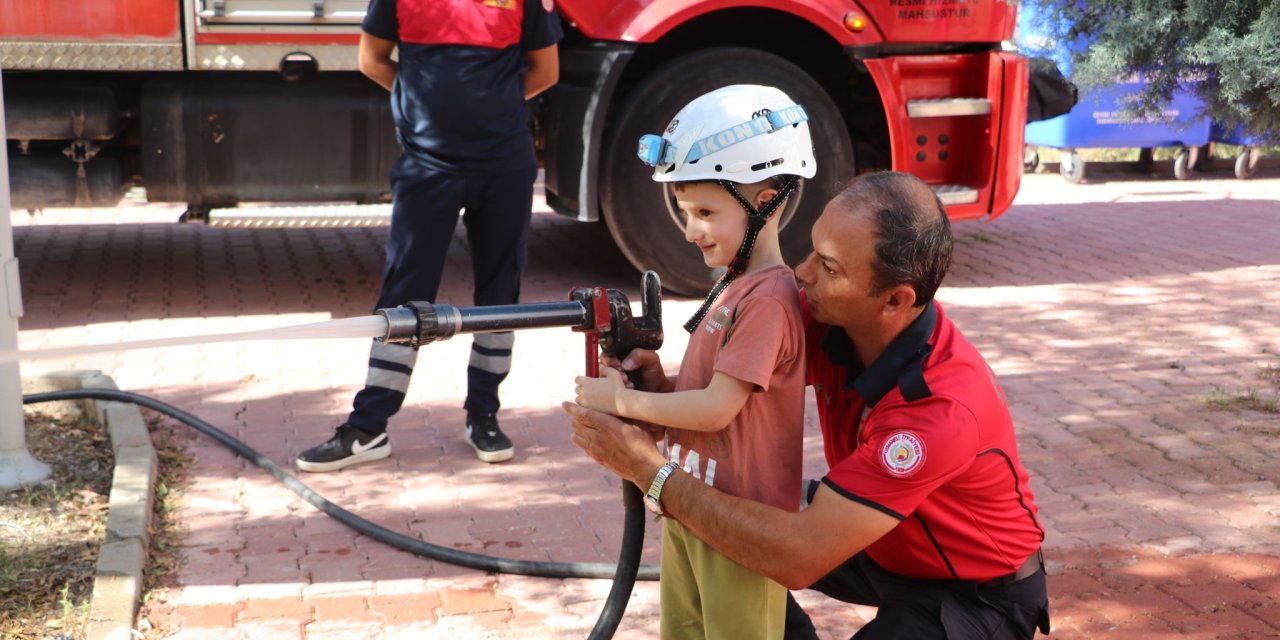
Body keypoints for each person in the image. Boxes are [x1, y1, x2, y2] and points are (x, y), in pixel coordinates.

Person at [566, 171, 1051, 639]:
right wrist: (661, 388)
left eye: (829, 266)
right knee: (735, 512)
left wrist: (650, 472)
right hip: (880, 540)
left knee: (750, 531)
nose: (802, 272)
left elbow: (799, 558)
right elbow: (732, 393)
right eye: (812, 249)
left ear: (894, 300)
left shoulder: (938, 412)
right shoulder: (831, 318)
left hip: (972, 591)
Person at [575, 84, 816, 639]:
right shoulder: (734, 287)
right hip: (692, 509)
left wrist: (620, 400)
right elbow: (708, 388)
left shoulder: (769, 300)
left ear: (765, 201)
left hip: (740, 530)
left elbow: (715, 411)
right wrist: (657, 386)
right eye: (685, 211)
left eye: (705, 211)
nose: (690, 230)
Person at [297, 0, 562, 472]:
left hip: (503, 164)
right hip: (427, 166)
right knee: (404, 296)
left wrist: (492, 107)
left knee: (501, 295)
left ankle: (484, 415)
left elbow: (545, 72)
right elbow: (371, 59)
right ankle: (369, 428)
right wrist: (419, 102)